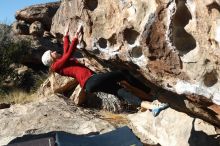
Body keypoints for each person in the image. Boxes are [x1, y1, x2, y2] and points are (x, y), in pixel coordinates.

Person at [41, 22, 168, 115]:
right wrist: (75, 37)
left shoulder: (60, 64)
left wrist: (66, 35)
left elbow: (65, 51)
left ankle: (151, 106)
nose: (54, 51)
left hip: (90, 85)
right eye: (51, 52)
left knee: (120, 91)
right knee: (122, 73)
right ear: (51, 59)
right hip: (90, 80)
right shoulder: (56, 66)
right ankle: (150, 93)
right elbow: (68, 53)